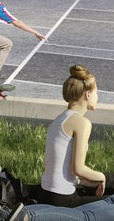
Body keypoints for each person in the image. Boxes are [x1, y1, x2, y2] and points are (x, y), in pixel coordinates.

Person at [30, 65, 107, 207]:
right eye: (97, 93)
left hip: (46, 192)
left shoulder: (60, 119)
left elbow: (64, 169)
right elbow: (78, 169)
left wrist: (85, 181)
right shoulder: (82, 123)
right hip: (61, 198)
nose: (98, 97)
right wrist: (102, 177)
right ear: (87, 94)